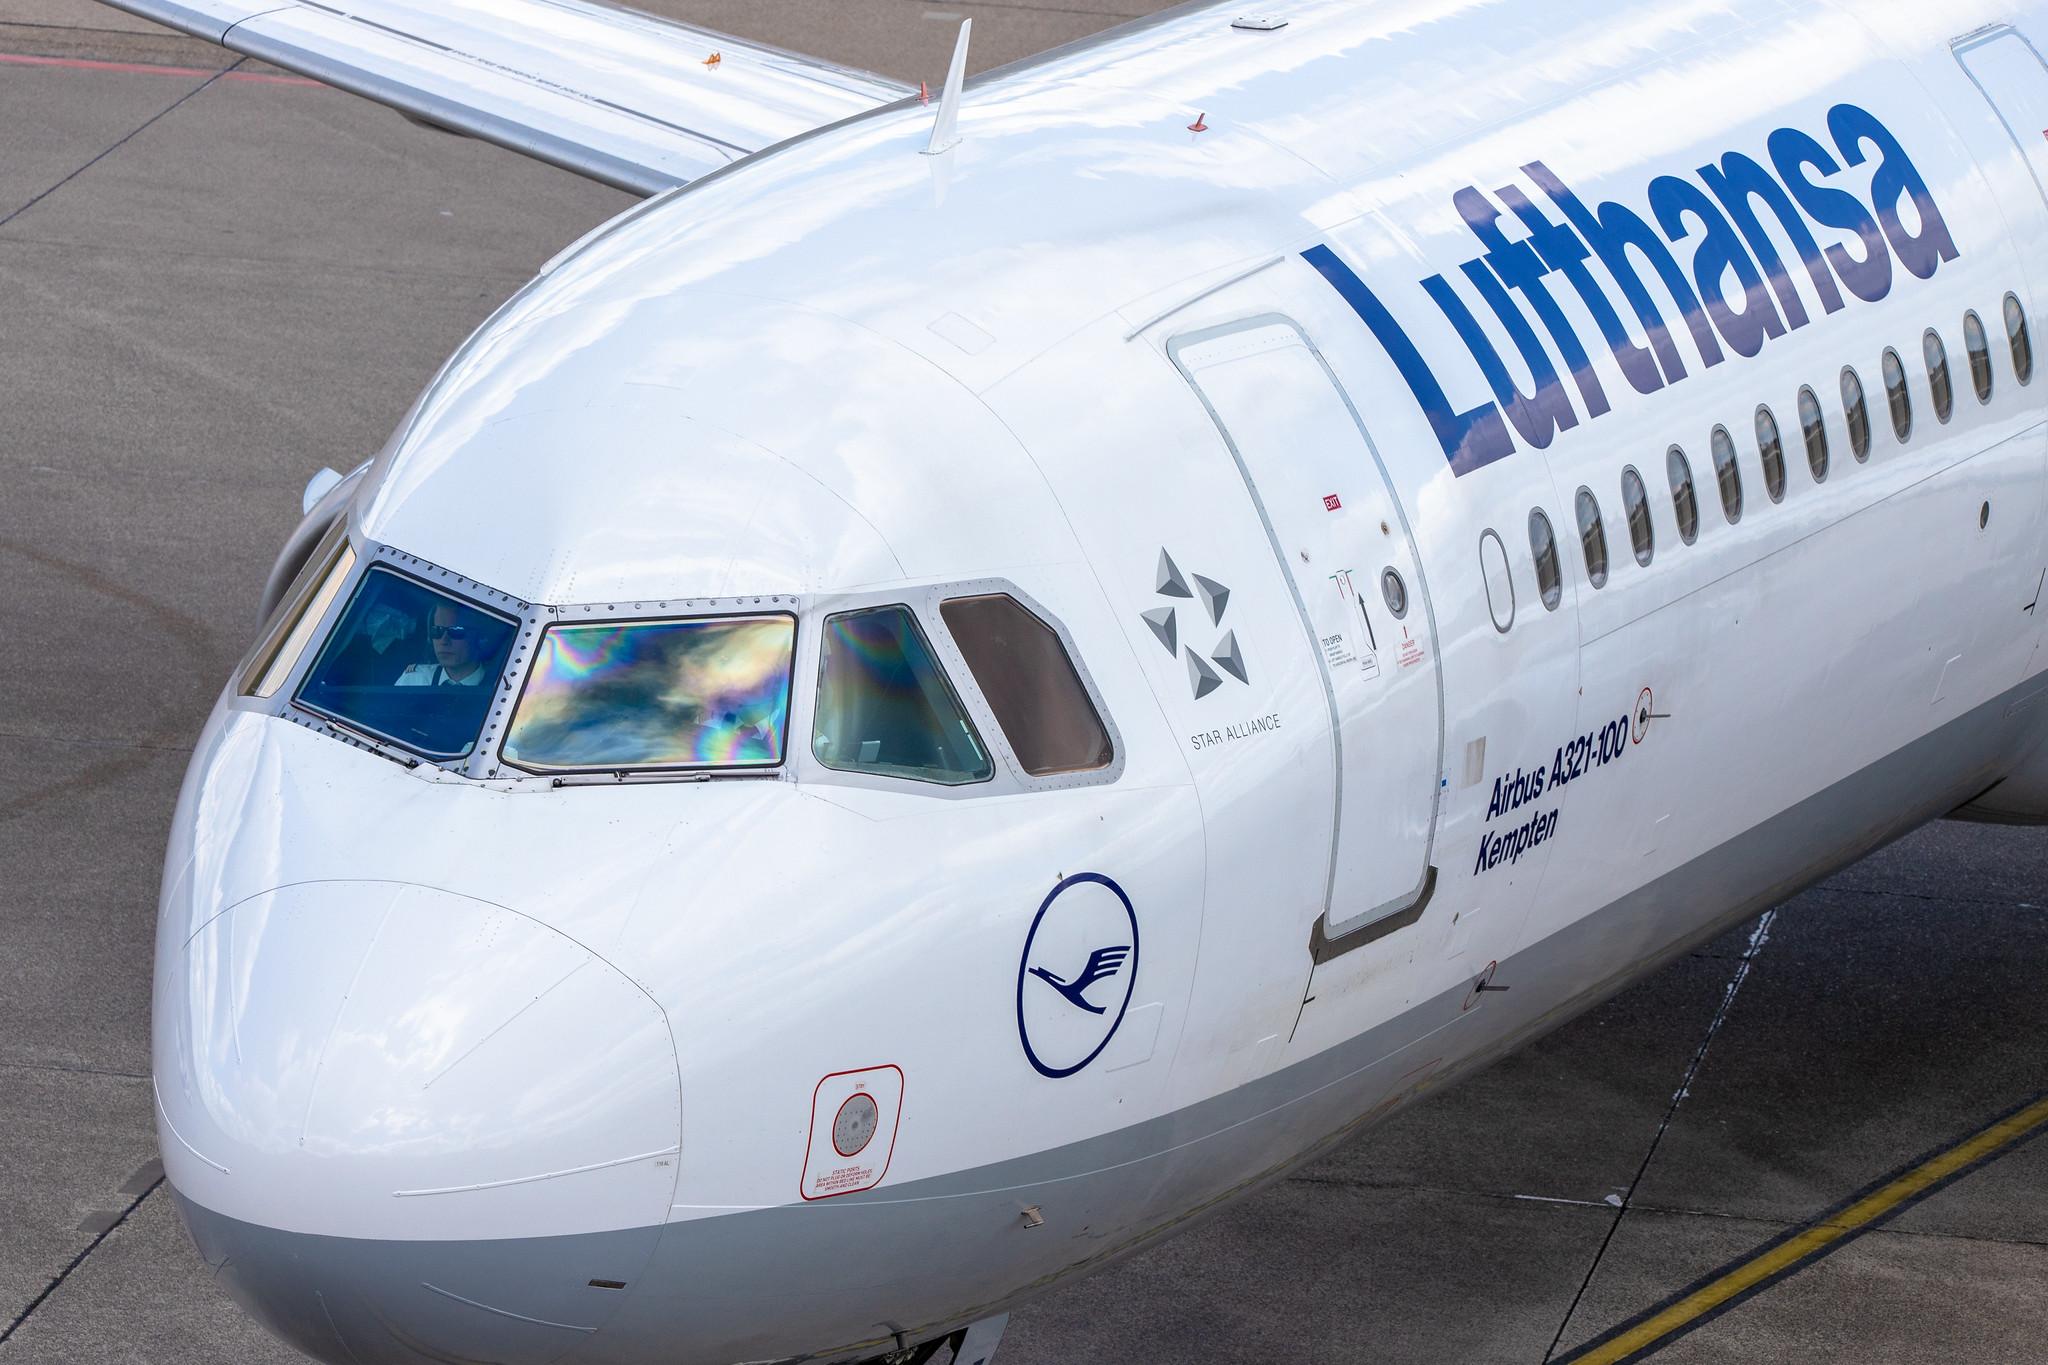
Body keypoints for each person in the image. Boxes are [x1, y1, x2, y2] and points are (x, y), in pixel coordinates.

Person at [397, 602, 496, 687]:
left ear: (479, 638)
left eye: (456, 631)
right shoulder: (413, 681)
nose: (444, 641)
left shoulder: (499, 687)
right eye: (437, 630)